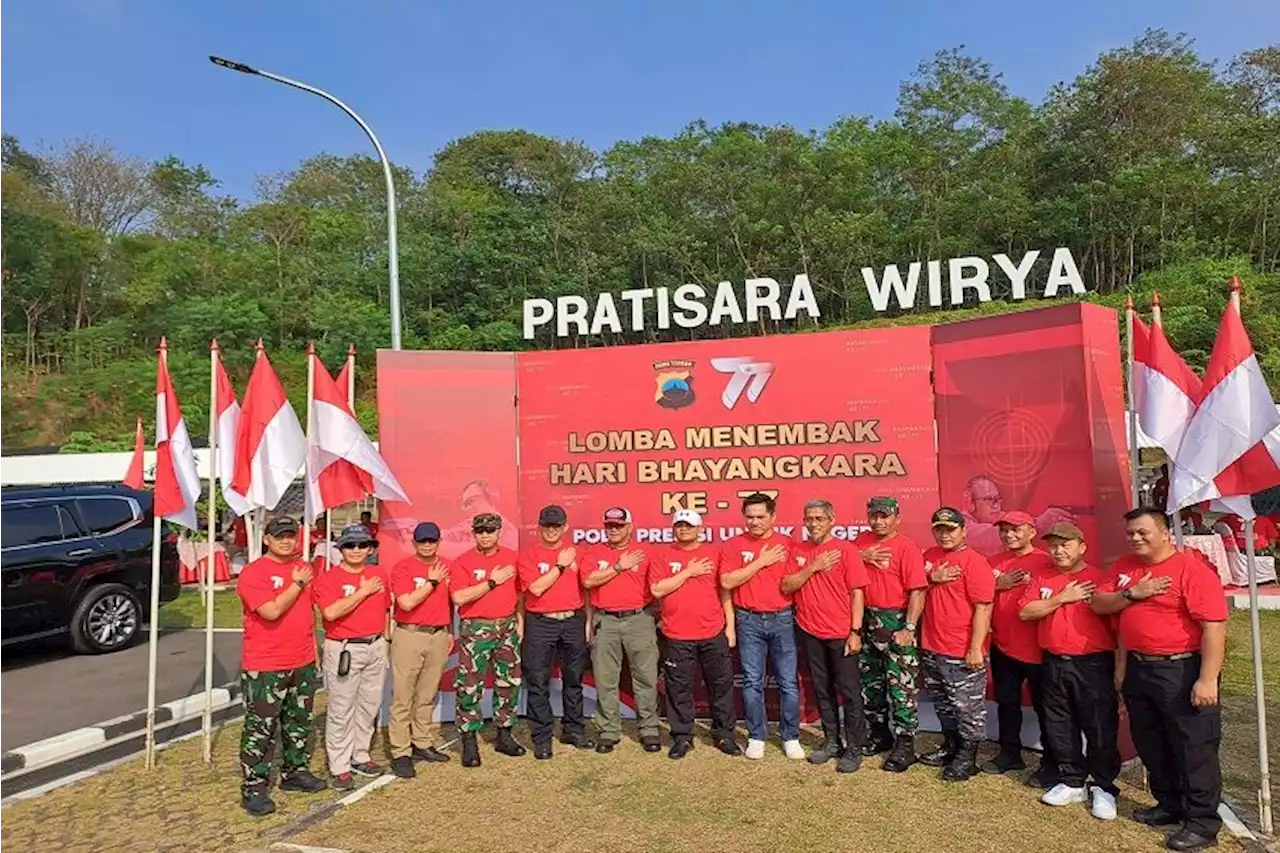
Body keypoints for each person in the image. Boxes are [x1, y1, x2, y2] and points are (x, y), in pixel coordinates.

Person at [1092, 508, 1228, 852]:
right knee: (1151, 740)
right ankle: (1169, 803)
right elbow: (1098, 603)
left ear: (1166, 533)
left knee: (1193, 747)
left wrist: (1207, 678)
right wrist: (1132, 594)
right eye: (1130, 533)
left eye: (1143, 532)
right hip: (1139, 667)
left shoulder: (1190, 570)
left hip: (1181, 669)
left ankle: (1202, 823)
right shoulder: (1125, 567)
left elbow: (1214, 626)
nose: (1135, 538)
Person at [1018, 523, 1121, 821]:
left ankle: (1103, 786)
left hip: (1092, 664)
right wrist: (1060, 598)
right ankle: (1072, 780)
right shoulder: (1043, 577)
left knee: (1100, 726)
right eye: (1053, 545)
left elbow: (1117, 620)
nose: (1058, 551)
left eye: (1065, 544)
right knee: (1059, 724)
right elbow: (1026, 611)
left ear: (1082, 546)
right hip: (1052, 661)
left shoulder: (1100, 579)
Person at [235, 516, 327, 816]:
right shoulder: (254, 573)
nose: (286, 541)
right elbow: (271, 611)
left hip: (301, 660)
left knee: (298, 720)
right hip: (266, 664)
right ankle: (254, 786)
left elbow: (309, 613)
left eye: (291, 536)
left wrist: (315, 653)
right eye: (279, 536)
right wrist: (297, 583)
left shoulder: (303, 568)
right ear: (267, 540)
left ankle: (295, 771)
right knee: (261, 727)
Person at [782, 499, 867, 772]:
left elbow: (857, 592)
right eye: (809, 519)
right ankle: (832, 741)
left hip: (841, 632)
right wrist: (813, 566)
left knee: (850, 692)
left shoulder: (847, 551)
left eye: (819, 518)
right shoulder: (797, 550)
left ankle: (854, 747)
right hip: (809, 630)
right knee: (822, 690)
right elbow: (787, 585)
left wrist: (855, 631)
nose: (814, 524)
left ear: (832, 520)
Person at [649, 509, 742, 759]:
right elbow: (657, 590)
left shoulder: (714, 554)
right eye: (679, 525)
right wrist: (688, 572)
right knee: (679, 688)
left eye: (688, 525)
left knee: (720, 686)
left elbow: (725, 592)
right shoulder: (663, 555)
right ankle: (682, 737)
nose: (683, 529)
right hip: (677, 634)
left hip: (712, 631)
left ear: (699, 528)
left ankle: (724, 734)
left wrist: (730, 627)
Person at [719, 492, 803, 761]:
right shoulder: (733, 545)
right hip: (748, 620)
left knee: (788, 682)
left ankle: (791, 736)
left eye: (760, 517)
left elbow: (796, 579)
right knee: (752, 681)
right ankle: (757, 735)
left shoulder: (788, 544)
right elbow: (728, 582)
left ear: (773, 517)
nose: (754, 522)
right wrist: (761, 562)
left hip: (782, 619)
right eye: (750, 517)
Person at [919, 507, 995, 782]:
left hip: (961, 649)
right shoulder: (929, 557)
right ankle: (950, 746)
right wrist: (931, 578)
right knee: (943, 702)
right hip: (932, 645)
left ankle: (968, 756)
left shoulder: (974, 562)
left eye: (950, 529)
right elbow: (914, 589)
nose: (945, 534)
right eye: (939, 529)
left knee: (967, 706)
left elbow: (983, 608)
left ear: (963, 531)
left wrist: (976, 647)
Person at [853, 496, 927, 772]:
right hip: (867, 618)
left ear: (897, 517)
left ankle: (905, 744)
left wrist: (908, 628)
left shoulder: (906, 547)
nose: (878, 522)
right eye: (874, 516)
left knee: (901, 686)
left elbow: (917, 590)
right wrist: (861, 556)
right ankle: (880, 734)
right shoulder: (860, 542)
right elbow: (840, 563)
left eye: (884, 516)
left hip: (895, 619)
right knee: (870, 683)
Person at [314, 524, 391, 790]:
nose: (356, 550)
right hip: (344, 648)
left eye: (361, 545)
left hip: (375, 644)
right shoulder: (328, 578)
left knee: (369, 704)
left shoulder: (378, 573)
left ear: (370, 549)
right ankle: (339, 765)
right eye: (350, 546)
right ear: (341, 550)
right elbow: (331, 613)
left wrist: (387, 639)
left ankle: (360, 754)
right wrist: (362, 592)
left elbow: (387, 609)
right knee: (341, 708)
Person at [985, 511, 1057, 785]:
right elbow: (975, 593)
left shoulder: (1046, 561)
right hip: (1003, 646)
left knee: (1046, 708)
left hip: (1038, 649)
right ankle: (1009, 753)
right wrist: (995, 585)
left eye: (1015, 530)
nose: (1008, 535)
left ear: (1031, 532)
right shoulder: (993, 562)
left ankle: (1052, 761)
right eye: (1004, 530)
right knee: (1007, 703)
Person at [582, 506, 662, 753]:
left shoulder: (646, 552)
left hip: (639, 618)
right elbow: (588, 581)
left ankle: (648, 728)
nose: (613, 530)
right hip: (606, 620)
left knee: (645, 676)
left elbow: (658, 587)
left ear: (630, 526)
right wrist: (618, 566)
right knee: (606, 678)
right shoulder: (594, 552)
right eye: (609, 526)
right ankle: (609, 729)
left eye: (618, 525)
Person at [518, 504, 595, 759]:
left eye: (557, 526)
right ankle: (541, 737)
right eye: (547, 526)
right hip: (541, 621)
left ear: (565, 527)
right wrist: (560, 567)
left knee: (573, 679)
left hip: (572, 619)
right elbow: (536, 589)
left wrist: (587, 622)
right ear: (539, 527)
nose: (552, 530)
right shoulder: (528, 555)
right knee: (538, 681)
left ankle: (574, 729)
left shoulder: (579, 553)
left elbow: (587, 588)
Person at [449, 512, 526, 767]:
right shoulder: (462, 562)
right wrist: (491, 582)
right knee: (470, 685)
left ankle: (504, 734)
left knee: (508, 682)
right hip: (476, 629)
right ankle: (469, 740)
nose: (485, 535)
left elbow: (520, 593)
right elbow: (459, 597)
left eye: (490, 531)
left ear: (499, 532)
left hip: (506, 626)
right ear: (474, 534)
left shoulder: (512, 558)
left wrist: (520, 621)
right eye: (480, 531)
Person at [387, 522, 454, 779]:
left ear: (438, 542)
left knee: (427, 694)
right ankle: (401, 751)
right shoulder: (404, 568)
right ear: (414, 543)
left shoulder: (447, 565)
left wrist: (448, 630)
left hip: (437, 634)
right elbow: (406, 602)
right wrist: (431, 582)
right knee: (403, 696)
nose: (427, 546)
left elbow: (450, 603)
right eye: (422, 541)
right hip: (410, 634)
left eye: (432, 541)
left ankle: (422, 741)